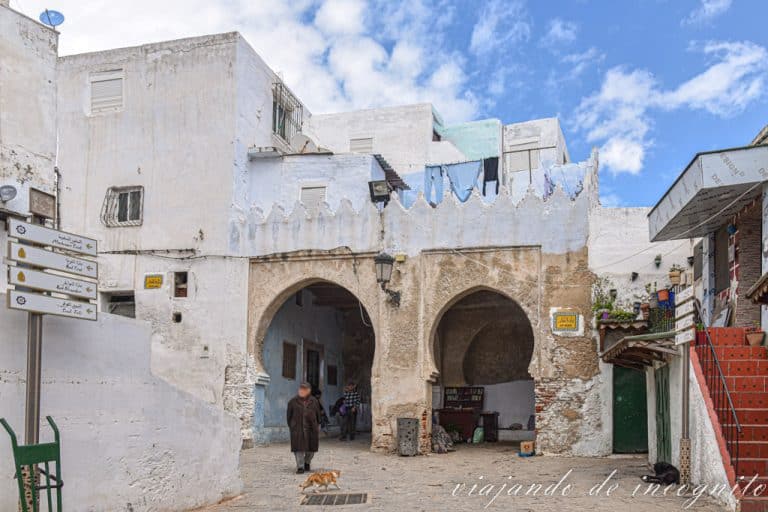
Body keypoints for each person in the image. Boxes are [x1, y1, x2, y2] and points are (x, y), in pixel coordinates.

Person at [287, 382, 321, 474]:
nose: (302, 391)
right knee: (299, 449)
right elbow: (289, 417)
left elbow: (318, 415)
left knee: (311, 449)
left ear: (309, 391)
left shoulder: (314, 401)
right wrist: (293, 426)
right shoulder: (292, 401)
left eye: (305, 389)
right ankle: (300, 467)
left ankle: (307, 462)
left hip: (311, 428)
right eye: (301, 388)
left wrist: (316, 425)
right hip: (297, 428)